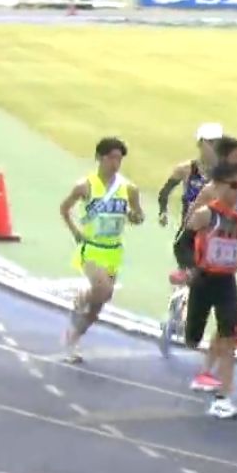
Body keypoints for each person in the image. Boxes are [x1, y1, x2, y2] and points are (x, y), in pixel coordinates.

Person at [183, 162, 237, 419]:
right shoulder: (205, 215)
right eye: (233, 186)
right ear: (218, 186)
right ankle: (179, 312)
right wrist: (189, 268)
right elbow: (183, 243)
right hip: (203, 280)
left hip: (226, 282)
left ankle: (223, 398)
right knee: (192, 339)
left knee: (229, 338)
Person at [58, 137, 145, 362]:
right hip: (92, 248)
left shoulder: (129, 189)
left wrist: (134, 216)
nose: (115, 163)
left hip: (113, 250)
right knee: (103, 289)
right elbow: (64, 208)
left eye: (119, 159)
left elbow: (139, 216)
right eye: (111, 158)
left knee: (98, 305)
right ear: (99, 158)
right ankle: (82, 296)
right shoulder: (85, 186)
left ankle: (74, 337)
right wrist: (75, 231)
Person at [155, 122, 223, 357]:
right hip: (189, 234)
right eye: (211, 142)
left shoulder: (224, 175)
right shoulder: (187, 169)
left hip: (213, 237)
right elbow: (165, 192)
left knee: (200, 282)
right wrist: (163, 212)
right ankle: (178, 311)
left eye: (218, 142)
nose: (215, 147)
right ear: (201, 143)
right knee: (194, 278)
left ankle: (179, 310)